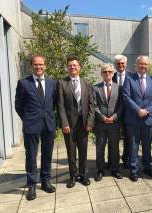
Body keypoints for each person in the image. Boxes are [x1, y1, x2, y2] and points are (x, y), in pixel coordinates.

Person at [15, 55, 57, 200]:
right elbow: (18, 105)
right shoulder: (23, 83)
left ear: (45, 66)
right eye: (36, 64)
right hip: (31, 125)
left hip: (48, 125)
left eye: (41, 64)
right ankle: (31, 185)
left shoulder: (53, 83)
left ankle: (45, 181)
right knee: (31, 156)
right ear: (31, 66)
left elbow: (55, 103)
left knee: (47, 154)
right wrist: (27, 118)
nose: (38, 67)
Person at [57, 56, 94, 188]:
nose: (72, 67)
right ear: (67, 68)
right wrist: (64, 123)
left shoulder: (87, 83)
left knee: (83, 150)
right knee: (71, 152)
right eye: (70, 65)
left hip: (84, 124)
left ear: (80, 67)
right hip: (70, 125)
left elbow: (91, 105)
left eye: (75, 65)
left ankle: (83, 175)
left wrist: (90, 122)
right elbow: (60, 106)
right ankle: (73, 176)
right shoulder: (62, 83)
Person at [123, 55, 152, 182]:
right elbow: (126, 96)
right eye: (141, 64)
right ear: (136, 65)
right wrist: (138, 110)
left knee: (147, 146)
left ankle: (147, 167)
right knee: (133, 146)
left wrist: (147, 110)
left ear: (148, 66)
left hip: (148, 119)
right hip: (133, 119)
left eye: (145, 64)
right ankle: (133, 170)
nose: (143, 66)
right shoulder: (129, 79)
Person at [93, 64, 124, 181]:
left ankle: (115, 169)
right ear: (101, 74)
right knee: (100, 147)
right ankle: (100, 170)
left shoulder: (119, 87)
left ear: (113, 73)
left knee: (115, 147)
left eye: (110, 72)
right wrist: (102, 117)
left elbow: (122, 105)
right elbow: (94, 105)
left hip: (114, 123)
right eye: (105, 72)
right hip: (101, 124)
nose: (107, 74)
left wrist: (115, 117)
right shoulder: (95, 88)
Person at [112, 54, 131, 169]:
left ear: (126, 64)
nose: (120, 65)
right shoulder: (110, 76)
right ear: (115, 65)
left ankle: (126, 159)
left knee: (128, 138)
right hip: (114, 112)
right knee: (113, 137)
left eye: (122, 63)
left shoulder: (132, 77)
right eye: (118, 63)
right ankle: (112, 160)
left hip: (128, 112)